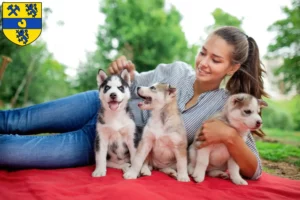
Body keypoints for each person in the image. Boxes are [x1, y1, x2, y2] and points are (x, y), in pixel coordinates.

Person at [0, 26, 267, 180]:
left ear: (233, 68)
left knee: (12, 152)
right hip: (99, 105)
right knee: (17, 120)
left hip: (110, 145)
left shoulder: (226, 106)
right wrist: (123, 68)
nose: (204, 62)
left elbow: (254, 169)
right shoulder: (174, 71)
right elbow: (133, 81)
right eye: (203, 52)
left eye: (216, 60)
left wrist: (231, 137)